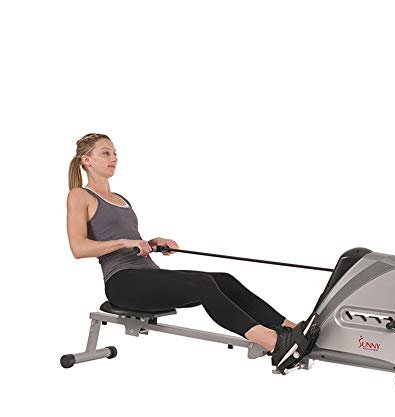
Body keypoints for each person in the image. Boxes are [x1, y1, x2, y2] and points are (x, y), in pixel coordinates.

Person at [66, 133, 303, 368]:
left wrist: (153, 242)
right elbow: (78, 248)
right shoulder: (79, 195)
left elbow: (130, 241)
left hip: (148, 276)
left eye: (115, 153)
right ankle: (273, 342)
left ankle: (293, 330)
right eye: (105, 153)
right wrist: (123, 242)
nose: (114, 158)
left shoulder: (120, 198)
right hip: (123, 283)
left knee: (224, 280)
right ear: (86, 160)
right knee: (203, 284)